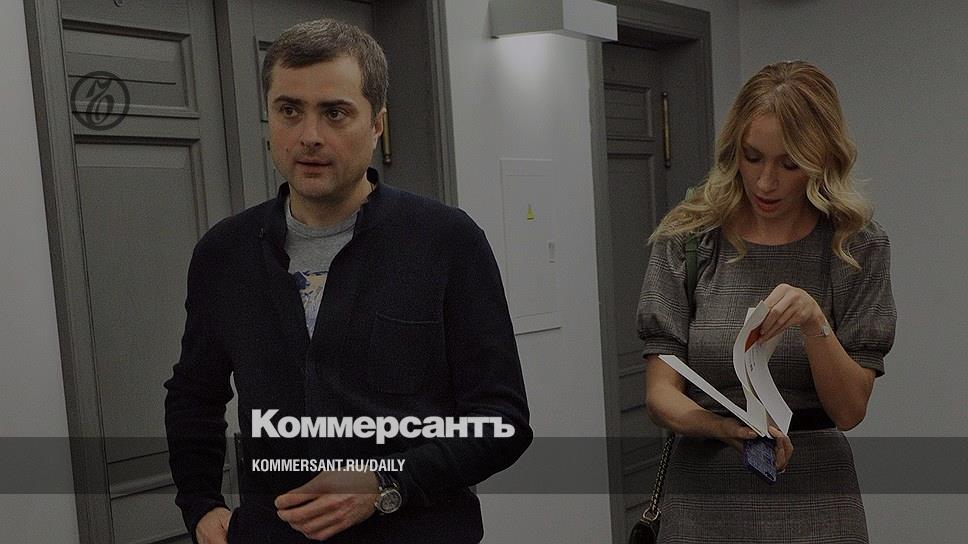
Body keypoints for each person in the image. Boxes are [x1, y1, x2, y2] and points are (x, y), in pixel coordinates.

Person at [164, 18, 531, 544]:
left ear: (377, 124)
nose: (309, 136)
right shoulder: (225, 253)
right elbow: (193, 395)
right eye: (289, 110)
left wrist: (387, 482)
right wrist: (201, 505)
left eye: (335, 113)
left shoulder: (446, 241)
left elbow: (502, 421)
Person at [637, 60, 896, 542]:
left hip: (817, 500)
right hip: (703, 497)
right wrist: (722, 428)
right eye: (752, 157)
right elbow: (660, 396)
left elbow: (849, 410)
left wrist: (815, 322)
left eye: (789, 164)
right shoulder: (688, 239)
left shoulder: (855, 247)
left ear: (821, 159)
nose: (765, 182)